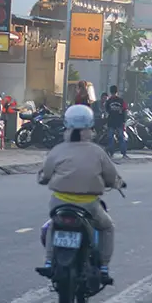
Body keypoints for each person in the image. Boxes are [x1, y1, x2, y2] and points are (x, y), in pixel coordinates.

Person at [36, 104, 124, 283]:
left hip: (59, 203)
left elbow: (45, 175)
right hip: (89, 205)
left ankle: (48, 262)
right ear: (91, 127)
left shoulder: (58, 149)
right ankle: (104, 267)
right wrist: (117, 184)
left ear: (66, 125)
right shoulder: (98, 151)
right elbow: (111, 175)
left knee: (53, 225)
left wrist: (44, 179)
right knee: (107, 228)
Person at [104, 85, 128, 158]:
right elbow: (125, 110)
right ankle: (123, 153)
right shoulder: (121, 101)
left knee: (111, 137)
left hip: (111, 122)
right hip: (118, 122)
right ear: (117, 91)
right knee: (121, 137)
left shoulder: (108, 101)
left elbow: (106, 111)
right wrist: (124, 120)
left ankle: (111, 153)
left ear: (111, 92)